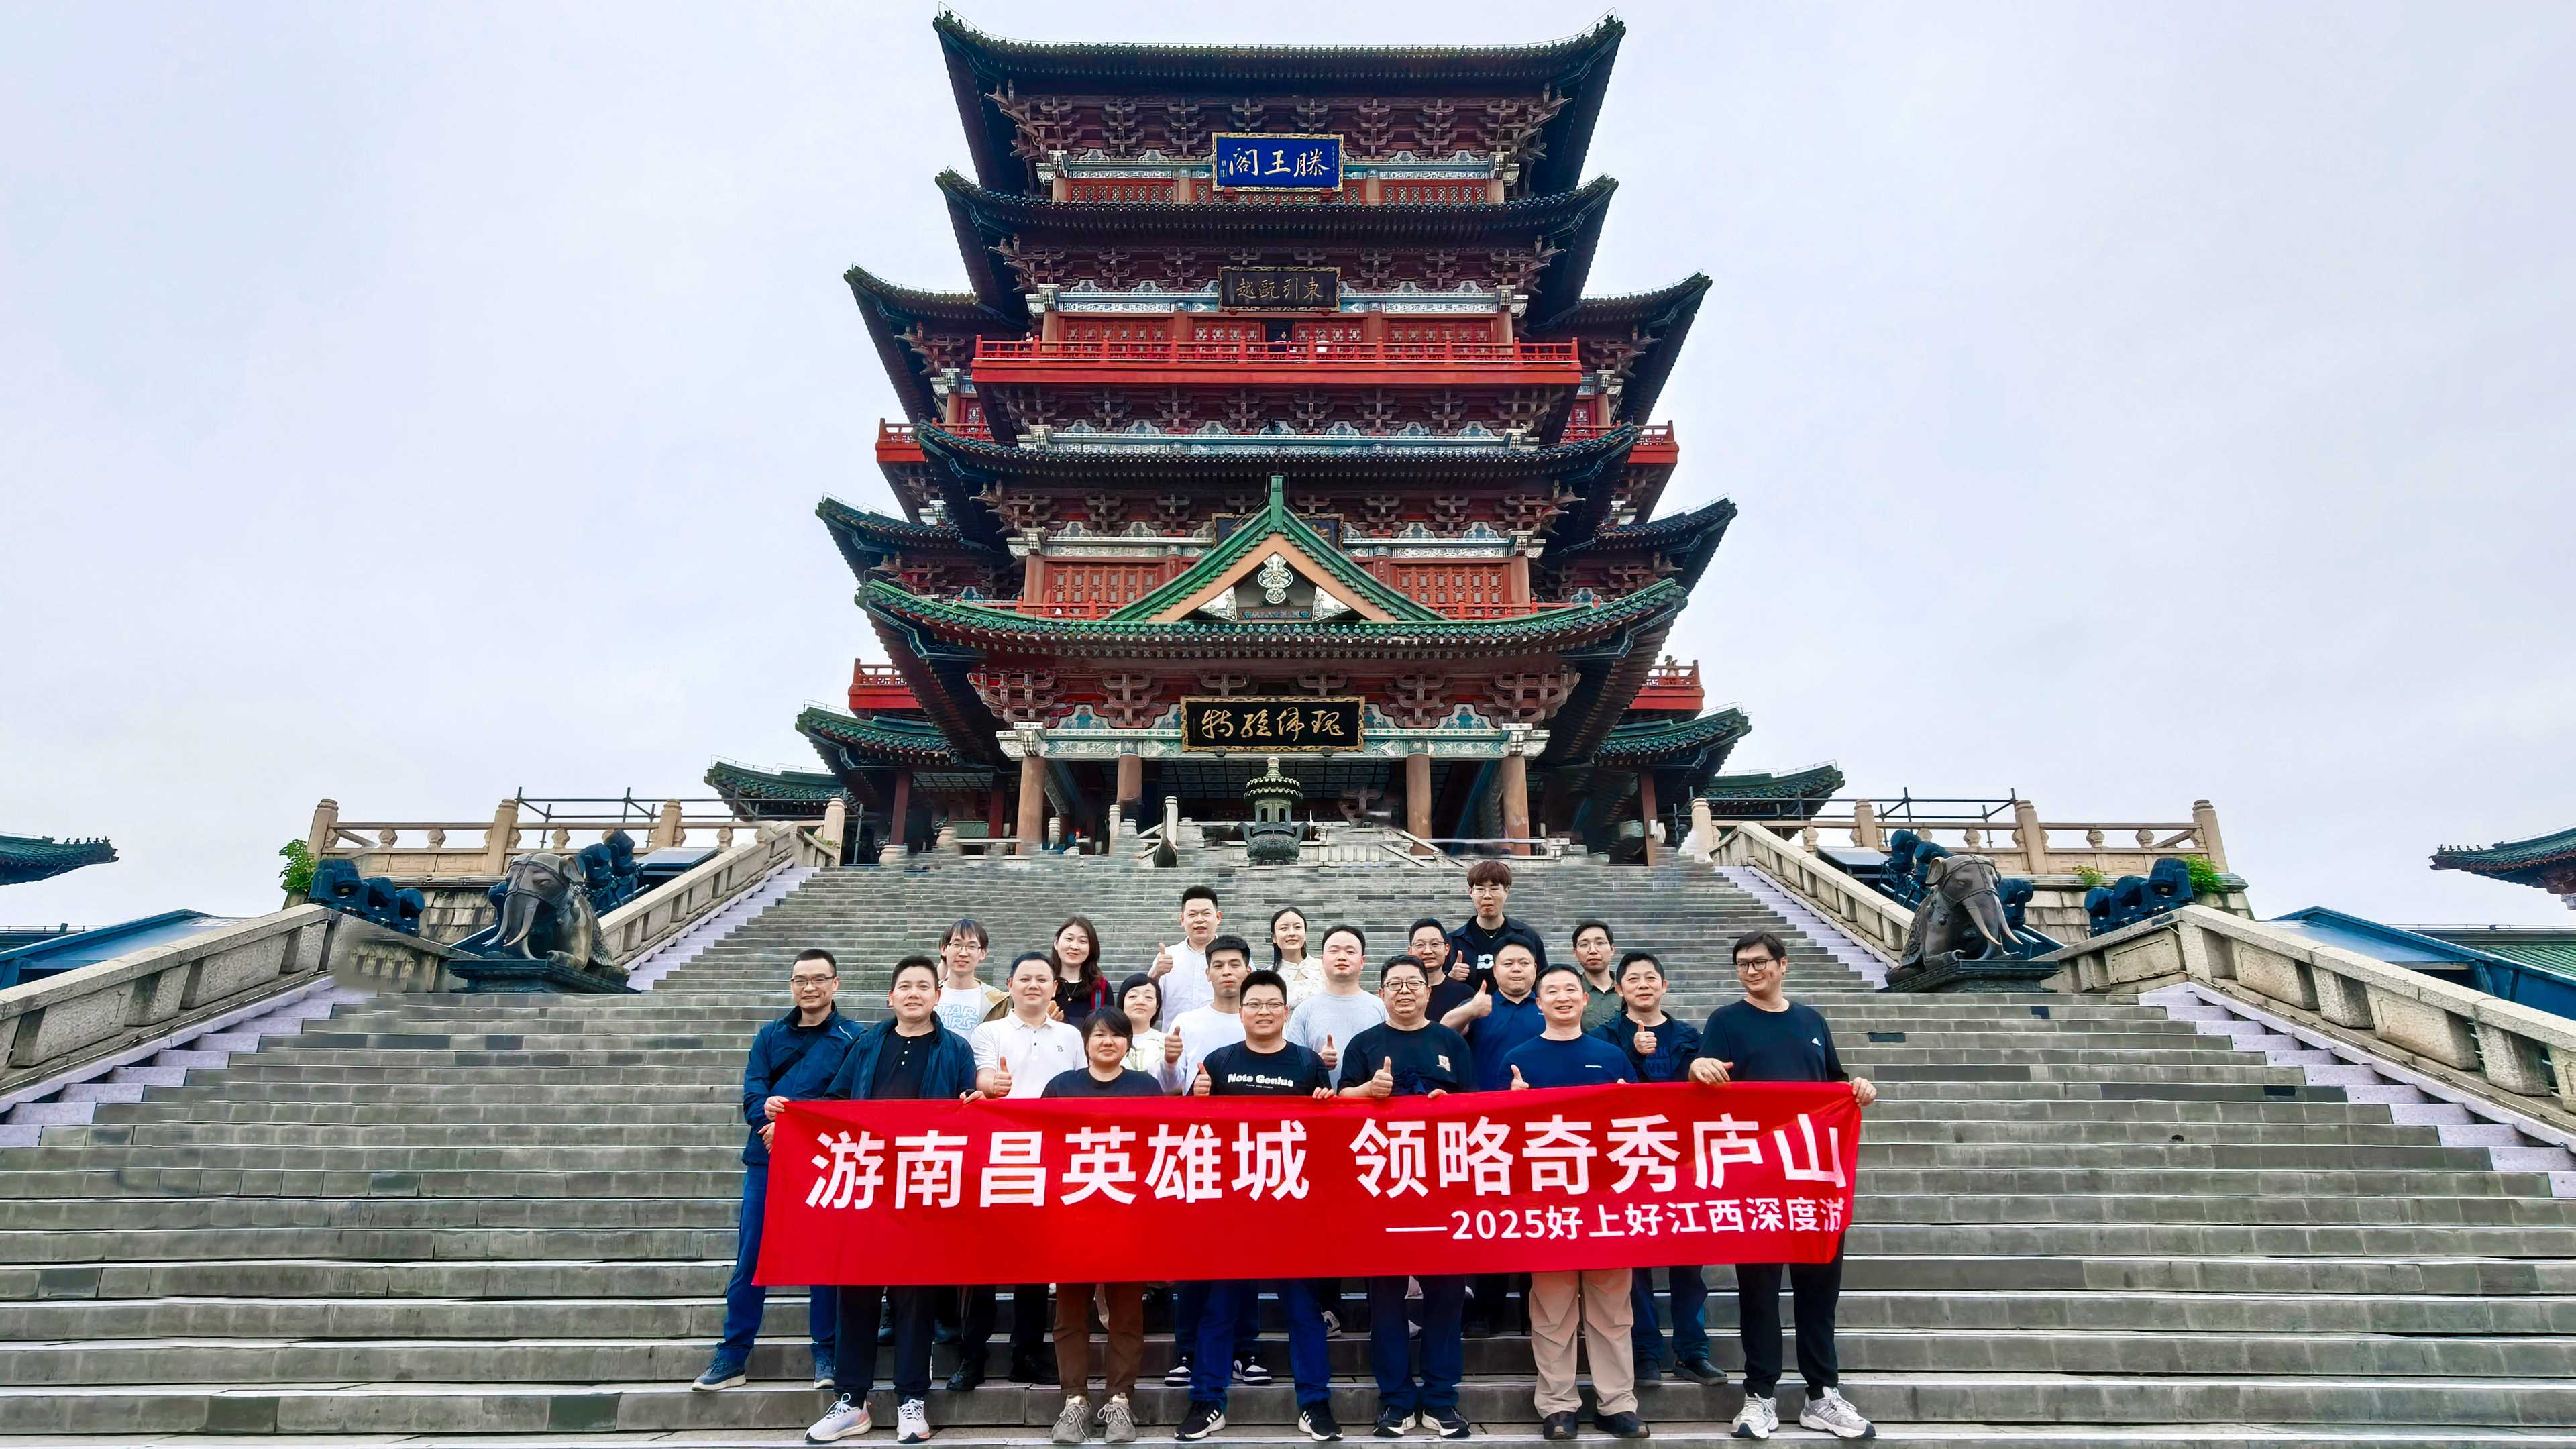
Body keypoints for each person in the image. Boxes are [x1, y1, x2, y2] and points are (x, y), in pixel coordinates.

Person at [1692, 930, 1878, 1442]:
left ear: (1783, 965)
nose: (1751, 971)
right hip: (1756, 1182)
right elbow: (1705, 1075)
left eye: (1759, 962)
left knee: (1819, 1294)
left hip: (1814, 1182)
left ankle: (1823, 1395)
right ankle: (1760, 1396)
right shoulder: (1726, 1022)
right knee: (1758, 1293)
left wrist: (1856, 1087)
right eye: (1742, 964)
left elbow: (1834, 1082)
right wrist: (1698, 1065)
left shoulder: (1811, 1022)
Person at [803, 956, 978, 1446]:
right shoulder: (866, 1044)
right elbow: (836, 1103)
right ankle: (851, 1400)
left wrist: (974, 1105)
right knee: (856, 1294)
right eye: (905, 986)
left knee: (915, 1297)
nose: (914, 993)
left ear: (938, 996)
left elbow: (968, 1109)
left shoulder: (955, 1048)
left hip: (923, 1189)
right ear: (891, 996)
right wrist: (792, 1117)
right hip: (868, 1188)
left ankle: (911, 1400)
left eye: (924, 986)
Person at [1178, 969, 1339, 1444]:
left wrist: (1326, 1103)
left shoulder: (1308, 1062)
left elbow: (1326, 1138)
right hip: (1233, 1212)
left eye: (1272, 1005)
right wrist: (1197, 1099)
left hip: (1292, 1211)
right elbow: (1194, 1134)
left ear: (1286, 1012)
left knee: (1303, 1311)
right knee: (1219, 1309)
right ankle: (1207, 1401)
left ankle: (1315, 1404)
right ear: (1242, 1012)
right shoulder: (1220, 1061)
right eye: (1255, 1004)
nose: (1263, 1012)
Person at [694, 948, 858, 1394]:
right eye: (801, 980)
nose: (810, 987)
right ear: (791, 986)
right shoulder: (770, 1036)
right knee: (752, 1257)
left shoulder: (854, 1037)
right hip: (766, 1158)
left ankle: (826, 1351)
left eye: (819, 979)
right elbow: (752, 1091)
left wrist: (797, 1125)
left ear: (835, 984)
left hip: (825, 1162)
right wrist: (766, 1118)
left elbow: (850, 1098)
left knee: (824, 1259)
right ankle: (733, 1353)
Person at [1505, 966, 1648, 1441]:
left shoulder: (1611, 1056)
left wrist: (1629, 1105)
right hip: (1545, 1204)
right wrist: (1512, 1103)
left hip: (1606, 1202)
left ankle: (1618, 1403)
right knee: (1552, 1310)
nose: (1562, 997)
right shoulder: (1517, 1060)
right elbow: (1495, 1139)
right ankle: (1557, 1405)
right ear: (1538, 1003)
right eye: (1552, 991)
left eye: (1571, 989)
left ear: (1586, 999)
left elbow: (1640, 1131)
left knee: (1613, 1310)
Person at [1337, 955, 1474, 1440]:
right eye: (1394, 984)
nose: (1404, 991)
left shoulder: (1450, 1042)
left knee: (1446, 1297)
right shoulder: (1364, 1043)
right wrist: (1366, 1092)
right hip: (1383, 1188)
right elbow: (1339, 1105)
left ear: (1428, 992)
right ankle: (1395, 1400)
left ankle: (1441, 1399)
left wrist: (1449, 1107)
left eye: (1413, 983)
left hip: (1443, 1189)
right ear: (1381, 993)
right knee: (1387, 1299)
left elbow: (1477, 1108)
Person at [960, 953, 1088, 1389]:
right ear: (1010, 985)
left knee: (1035, 1260)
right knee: (980, 1260)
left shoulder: (1071, 1035)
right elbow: (983, 1076)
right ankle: (971, 1355)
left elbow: (1081, 1087)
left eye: (1042, 979)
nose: (1033, 985)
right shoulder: (989, 1031)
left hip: (1051, 1155)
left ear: (1055, 988)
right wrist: (992, 1086)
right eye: (1025, 978)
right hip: (998, 1152)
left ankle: (1027, 1354)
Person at [1591, 951, 1717, 1387]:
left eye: (1650, 978)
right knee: (1636, 1264)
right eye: (1633, 979)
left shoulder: (1691, 1038)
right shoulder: (1606, 1037)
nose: (1642, 985)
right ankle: (1645, 1352)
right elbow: (1596, 1091)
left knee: (1689, 1262)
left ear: (1665, 986)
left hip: (1684, 1161)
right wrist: (1631, 1053)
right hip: (1629, 1161)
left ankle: (1692, 1352)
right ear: (1619, 989)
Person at [1042, 1010, 1158, 1444]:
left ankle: (1119, 1401)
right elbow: (1041, 1142)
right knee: (1070, 1312)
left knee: (1126, 1312)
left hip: (1129, 1217)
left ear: (1128, 1042)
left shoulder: (1145, 1087)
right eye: (1099, 1035)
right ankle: (1074, 1402)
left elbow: (1160, 1145)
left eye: (1116, 1035)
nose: (1107, 1042)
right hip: (1072, 1217)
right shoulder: (1062, 1086)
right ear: (1086, 1041)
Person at [1155, 936, 1264, 1392]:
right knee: (1196, 1255)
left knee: (1250, 1256)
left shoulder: (1263, 1016)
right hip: (1200, 1153)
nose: (1226, 972)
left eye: (1235, 965)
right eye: (1218, 965)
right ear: (1207, 974)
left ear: (1247, 970)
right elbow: (1169, 1089)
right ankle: (1187, 1350)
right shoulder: (1188, 1021)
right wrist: (1170, 1063)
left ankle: (1246, 1349)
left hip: (1255, 1154)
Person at [1440, 938, 1548, 1338]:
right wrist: (1470, 1009)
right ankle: (1486, 1310)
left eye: (1524, 963)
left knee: (1537, 1220)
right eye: (1508, 963)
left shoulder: (1547, 1004)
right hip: (1489, 1131)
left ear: (1535, 968)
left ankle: (1535, 1313)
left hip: (1543, 1131)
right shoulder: (1480, 1006)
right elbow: (1439, 1034)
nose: (1516, 969)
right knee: (1493, 1222)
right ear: (1495, 970)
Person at [1283, 923, 1385, 1338]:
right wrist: (1315, 1061)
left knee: (1374, 1217)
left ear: (1363, 961)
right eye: (1334, 950)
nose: (1342, 956)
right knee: (1323, 1219)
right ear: (1321, 959)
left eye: (1350, 950)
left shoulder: (1379, 1006)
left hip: (1373, 1128)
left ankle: (1384, 1310)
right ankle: (1328, 1307)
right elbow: (1290, 1061)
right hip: (1321, 1127)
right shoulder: (1306, 1009)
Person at [1444, 859, 1546, 991]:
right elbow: (1437, 987)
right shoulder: (1454, 941)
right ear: (1470, 892)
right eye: (1480, 889)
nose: (1487, 896)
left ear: (1507, 891)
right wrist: (1450, 978)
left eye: (1494, 889)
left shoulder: (1527, 936)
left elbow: (1543, 982)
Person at [1145, 884, 1225, 1024]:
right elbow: (1147, 1001)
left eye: (1206, 914)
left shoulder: (1234, 956)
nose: (1199, 919)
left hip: (1222, 1035)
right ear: (1182, 919)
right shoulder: (1167, 956)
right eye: (1192, 915)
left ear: (1218, 917)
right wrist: (1155, 974)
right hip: (1176, 1036)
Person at [932, 918, 1000, 1036]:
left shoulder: (996, 1001)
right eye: (957, 945)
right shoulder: (929, 994)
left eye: (972, 946)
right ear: (943, 949)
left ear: (983, 953)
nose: (963, 953)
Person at [1052, 916, 1112, 1024]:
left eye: (1083, 941)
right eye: (1069, 939)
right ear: (1056, 942)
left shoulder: (1101, 988)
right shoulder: (1042, 985)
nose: (1074, 946)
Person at [1411, 917, 1472, 1022]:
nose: (1427, 951)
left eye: (1435, 944)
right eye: (1420, 945)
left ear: (1447, 949)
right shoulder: (1404, 993)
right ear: (1410, 951)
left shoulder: (1465, 993)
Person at [1568, 921, 1624, 1031]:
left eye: (1600, 943)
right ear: (1575, 953)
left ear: (1612, 949)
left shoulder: (1628, 990)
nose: (1593, 951)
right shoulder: (1570, 993)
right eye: (1584, 945)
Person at [1271, 905, 1324, 1007]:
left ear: (1305, 934)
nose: (1292, 933)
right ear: (1274, 937)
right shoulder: (1267, 976)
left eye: (1297, 927)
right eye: (1284, 928)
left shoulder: (1323, 967)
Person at [1114, 972, 1164, 1073]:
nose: (1141, 1001)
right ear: (1122, 1003)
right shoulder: (1109, 1042)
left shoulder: (1165, 1042)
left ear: (1157, 1007)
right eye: (1133, 996)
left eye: (1149, 997)